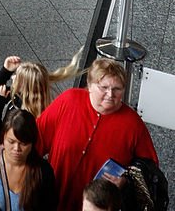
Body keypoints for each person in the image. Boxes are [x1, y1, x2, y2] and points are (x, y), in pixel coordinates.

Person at [37, 57, 158, 211]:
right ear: (90, 85)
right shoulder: (68, 101)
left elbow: (150, 169)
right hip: (53, 199)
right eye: (104, 87)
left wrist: (125, 181)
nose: (110, 94)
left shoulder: (133, 125)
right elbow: (37, 138)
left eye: (117, 89)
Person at [0, 108, 57, 211]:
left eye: (23, 143)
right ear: (3, 138)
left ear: (32, 143)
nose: (17, 149)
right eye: (11, 141)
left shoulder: (44, 171)